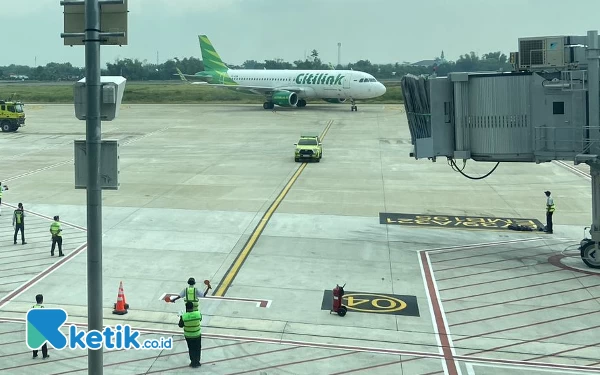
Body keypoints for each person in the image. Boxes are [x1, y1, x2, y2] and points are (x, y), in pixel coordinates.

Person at [178, 301, 202, 368]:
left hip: (189, 336)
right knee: (197, 348)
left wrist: (180, 317)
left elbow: (180, 325)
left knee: (191, 348)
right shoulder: (198, 314)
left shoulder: (184, 316)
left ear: (186, 308)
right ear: (193, 307)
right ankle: (197, 362)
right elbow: (200, 319)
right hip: (197, 334)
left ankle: (193, 362)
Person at [31, 294, 49, 359]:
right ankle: (44, 354)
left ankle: (34, 354)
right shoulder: (42, 308)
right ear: (42, 300)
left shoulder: (33, 307)